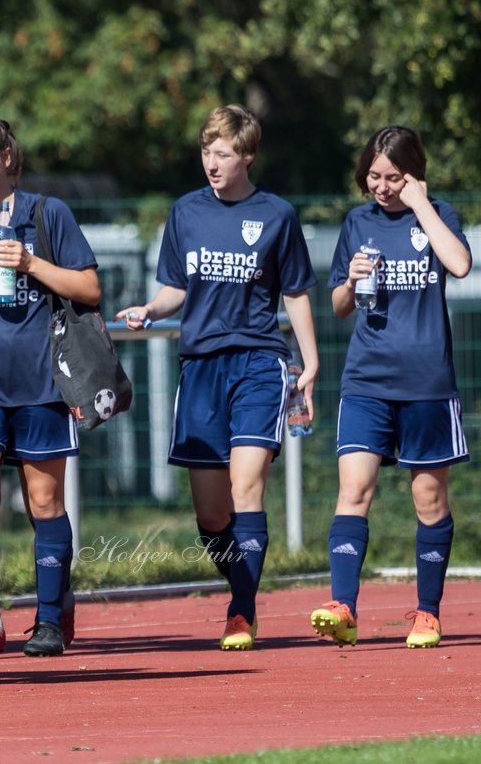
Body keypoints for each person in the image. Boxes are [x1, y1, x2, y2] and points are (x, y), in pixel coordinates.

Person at [115, 103, 319, 650]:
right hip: (200, 367)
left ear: (247, 155)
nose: (212, 161)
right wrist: (151, 310)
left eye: (223, 153)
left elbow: (295, 291)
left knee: (245, 485)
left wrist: (311, 360)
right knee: (211, 512)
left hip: (257, 363)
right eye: (206, 151)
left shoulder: (276, 214)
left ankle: (241, 611)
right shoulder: (185, 212)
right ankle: (243, 582)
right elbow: (177, 287)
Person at [310, 126, 471, 649]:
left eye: (393, 177)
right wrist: (351, 281)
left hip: (427, 382)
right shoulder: (357, 222)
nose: (381, 186)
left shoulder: (439, 214)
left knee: (428, 497)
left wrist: (420, 203)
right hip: (366, 380)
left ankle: (427, 612)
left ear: (414, 174)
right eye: (374, 176)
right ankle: (343, 607)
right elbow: (337, 308)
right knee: (353, 490)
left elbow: (461, 264)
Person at [0, 109, 101, 657]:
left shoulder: (46, 213)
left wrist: (32, 262)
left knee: (43, 501)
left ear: (7, 158)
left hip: (41, 383)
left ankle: (50, 618)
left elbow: (89, 288)